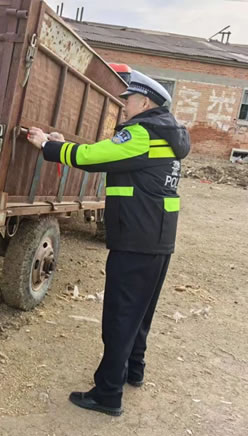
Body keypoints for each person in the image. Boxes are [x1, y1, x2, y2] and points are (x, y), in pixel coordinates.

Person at [27, 71, 190, 416]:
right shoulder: (166, 134)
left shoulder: (142, 133)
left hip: (135, 237)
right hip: (157, 237)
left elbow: (92, 157)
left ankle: (107, 394)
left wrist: (46, 145)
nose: (123, 106)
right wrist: (64, 143)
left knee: (120, 314)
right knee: (140, 312)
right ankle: (134, 370)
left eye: (128, 100)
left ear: (145, 102)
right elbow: (110, 154)